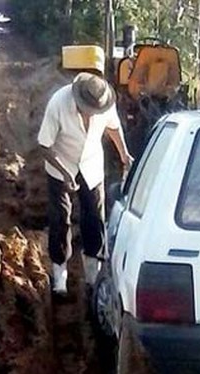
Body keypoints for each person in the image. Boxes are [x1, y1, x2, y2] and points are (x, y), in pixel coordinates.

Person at [37, 72, 133, 294]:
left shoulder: (105, 103)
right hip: (60, 163)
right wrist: (64, 172)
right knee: (60, 218)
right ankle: (60, 275)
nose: (92, 114)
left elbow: (113, 127)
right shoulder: (58, 104)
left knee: (94, 217)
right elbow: (44, 145)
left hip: (91, 165)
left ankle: (93, 274)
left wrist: (124, 154)